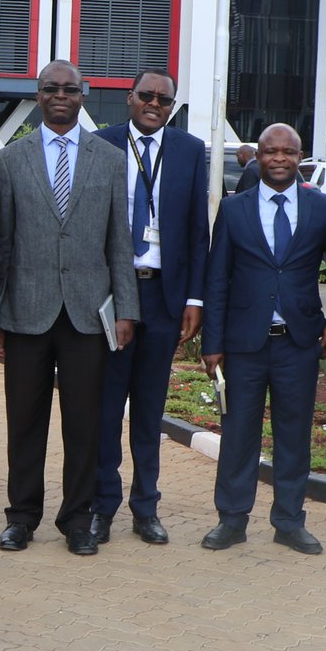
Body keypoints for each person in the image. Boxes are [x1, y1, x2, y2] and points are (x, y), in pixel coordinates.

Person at [0, 61, 138, 556]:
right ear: (37, 94)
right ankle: (21, 517)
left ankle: (77, 519)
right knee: (23, 421)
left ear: (84, 95)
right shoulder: (10, 160)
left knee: (84, 422)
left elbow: (119, 242)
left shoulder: (110, 159)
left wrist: (125, 311)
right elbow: (1, 243)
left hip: (88, 314)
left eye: (69, 89)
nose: (59, 96)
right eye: (50, 88)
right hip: (26, 311)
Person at [200, 123, 326, 556]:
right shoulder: (234, 210)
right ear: (258, 156)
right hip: (243, 344)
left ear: (300, 156)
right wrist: (212, 342)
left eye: (289, 152)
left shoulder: (322, 208)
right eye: (271, 152)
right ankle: (231, 521)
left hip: (298, 344)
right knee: (238, 435)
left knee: (293, 436)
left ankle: (289, 522)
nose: (280, 160)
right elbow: (217, 279)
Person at [92, 67, 209, 545]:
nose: (155, 105)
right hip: (112, 296)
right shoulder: (101, 144)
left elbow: (197, 228)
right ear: (129, 98)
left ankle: (146, 508)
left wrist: (195, 298)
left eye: (164, 99)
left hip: (164, 295)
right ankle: (101, 507)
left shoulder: (189, 150)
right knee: (105, 409)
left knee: (149, 409)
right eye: (147, 96)